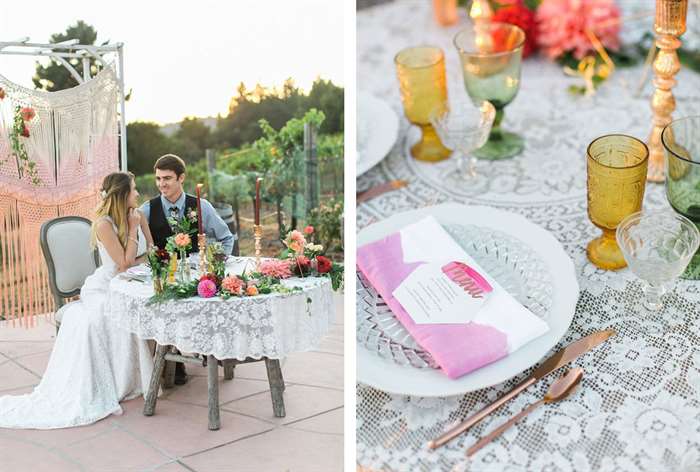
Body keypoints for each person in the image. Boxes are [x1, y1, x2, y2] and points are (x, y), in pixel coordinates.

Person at [0, 172, 155, 429]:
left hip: (138, 280)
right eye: (134, 190)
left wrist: (140, 246)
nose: (138, 194)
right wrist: (133, 231)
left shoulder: (138, 215)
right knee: (112, 315)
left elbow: (151, 251)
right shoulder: (105, 224)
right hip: (107, 286)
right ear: (122, 195)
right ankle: (117, 380)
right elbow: (123, 265)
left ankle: (161, 370)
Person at [140, 154, 235, 384]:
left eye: (167, 178)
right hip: (166, 276)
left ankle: (208, 349)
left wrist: (216, 265)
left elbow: (225, 238)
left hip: (198, 274)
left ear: (181, 178)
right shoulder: (147, 210)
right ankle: (174, 359)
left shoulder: (201, 206)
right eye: (158, 179)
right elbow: (139, 246)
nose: (161, 184)